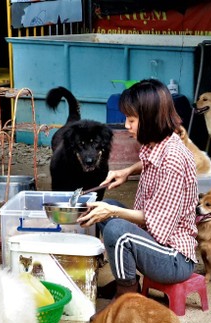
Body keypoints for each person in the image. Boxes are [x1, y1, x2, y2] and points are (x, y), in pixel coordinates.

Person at [77, 78, 198, 300]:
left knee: (116, 228)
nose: (126, 125)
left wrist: (112, 213)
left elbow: (155, 221)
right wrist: (127, 171)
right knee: (107, 208)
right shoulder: (160, 143)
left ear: (151, 119)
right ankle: (128, 278)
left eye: (131, 120)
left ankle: (127, 296)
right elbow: (151, 162)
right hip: (157, 242)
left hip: (173, 258)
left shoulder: (173, 158)